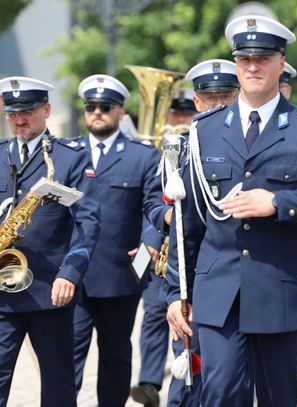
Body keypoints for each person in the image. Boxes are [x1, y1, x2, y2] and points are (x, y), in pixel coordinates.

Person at [165, 14, 297, 407]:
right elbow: (187, 223)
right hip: (218, 292)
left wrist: (279, 202)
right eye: (245, 59)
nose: (253, 66)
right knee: (220, 393)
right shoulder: (204, 130)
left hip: (280, 292)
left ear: (281, 62)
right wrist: (176, 292)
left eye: (263, 58)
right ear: (236, 64)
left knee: (277, 399)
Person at [132, 59, 240, 407]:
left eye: (225, 96)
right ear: (197, 101)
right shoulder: (177, 146)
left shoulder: (248, 143)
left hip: (233, 267)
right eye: (210, 98)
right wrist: (167, 219)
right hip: (188, 267)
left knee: (228, 374)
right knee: (188, 361)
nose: (218, 104)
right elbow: (154, 200)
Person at [0, 76, 100, 406]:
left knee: (58, 387)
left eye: (27, 112)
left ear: (46, 110)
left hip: (50, 292)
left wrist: (70, 273)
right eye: (12, 113)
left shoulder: (70, 158)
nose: (19, 120)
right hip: (2, 295)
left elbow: (88, 222)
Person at [71, 74, 169, 406]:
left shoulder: (143, 156)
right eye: (91, 107)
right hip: (73, 277)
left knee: (115, 356)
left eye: (105, 106)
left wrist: (149, 245)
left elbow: (153, 207)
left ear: (121, 112)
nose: (97, 112)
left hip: (121, 273)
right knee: (66, 356)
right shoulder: (67, 153)